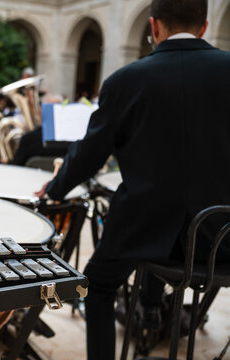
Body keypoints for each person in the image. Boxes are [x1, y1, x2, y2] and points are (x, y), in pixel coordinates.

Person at [35, 1, 230, 359]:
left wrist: (56, 186)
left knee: (97, 284)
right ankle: (157, 308)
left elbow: (90, 154)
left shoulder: (126, 80)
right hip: (222, 237)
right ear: (204, 27)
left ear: (153, 27)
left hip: (144, 230)